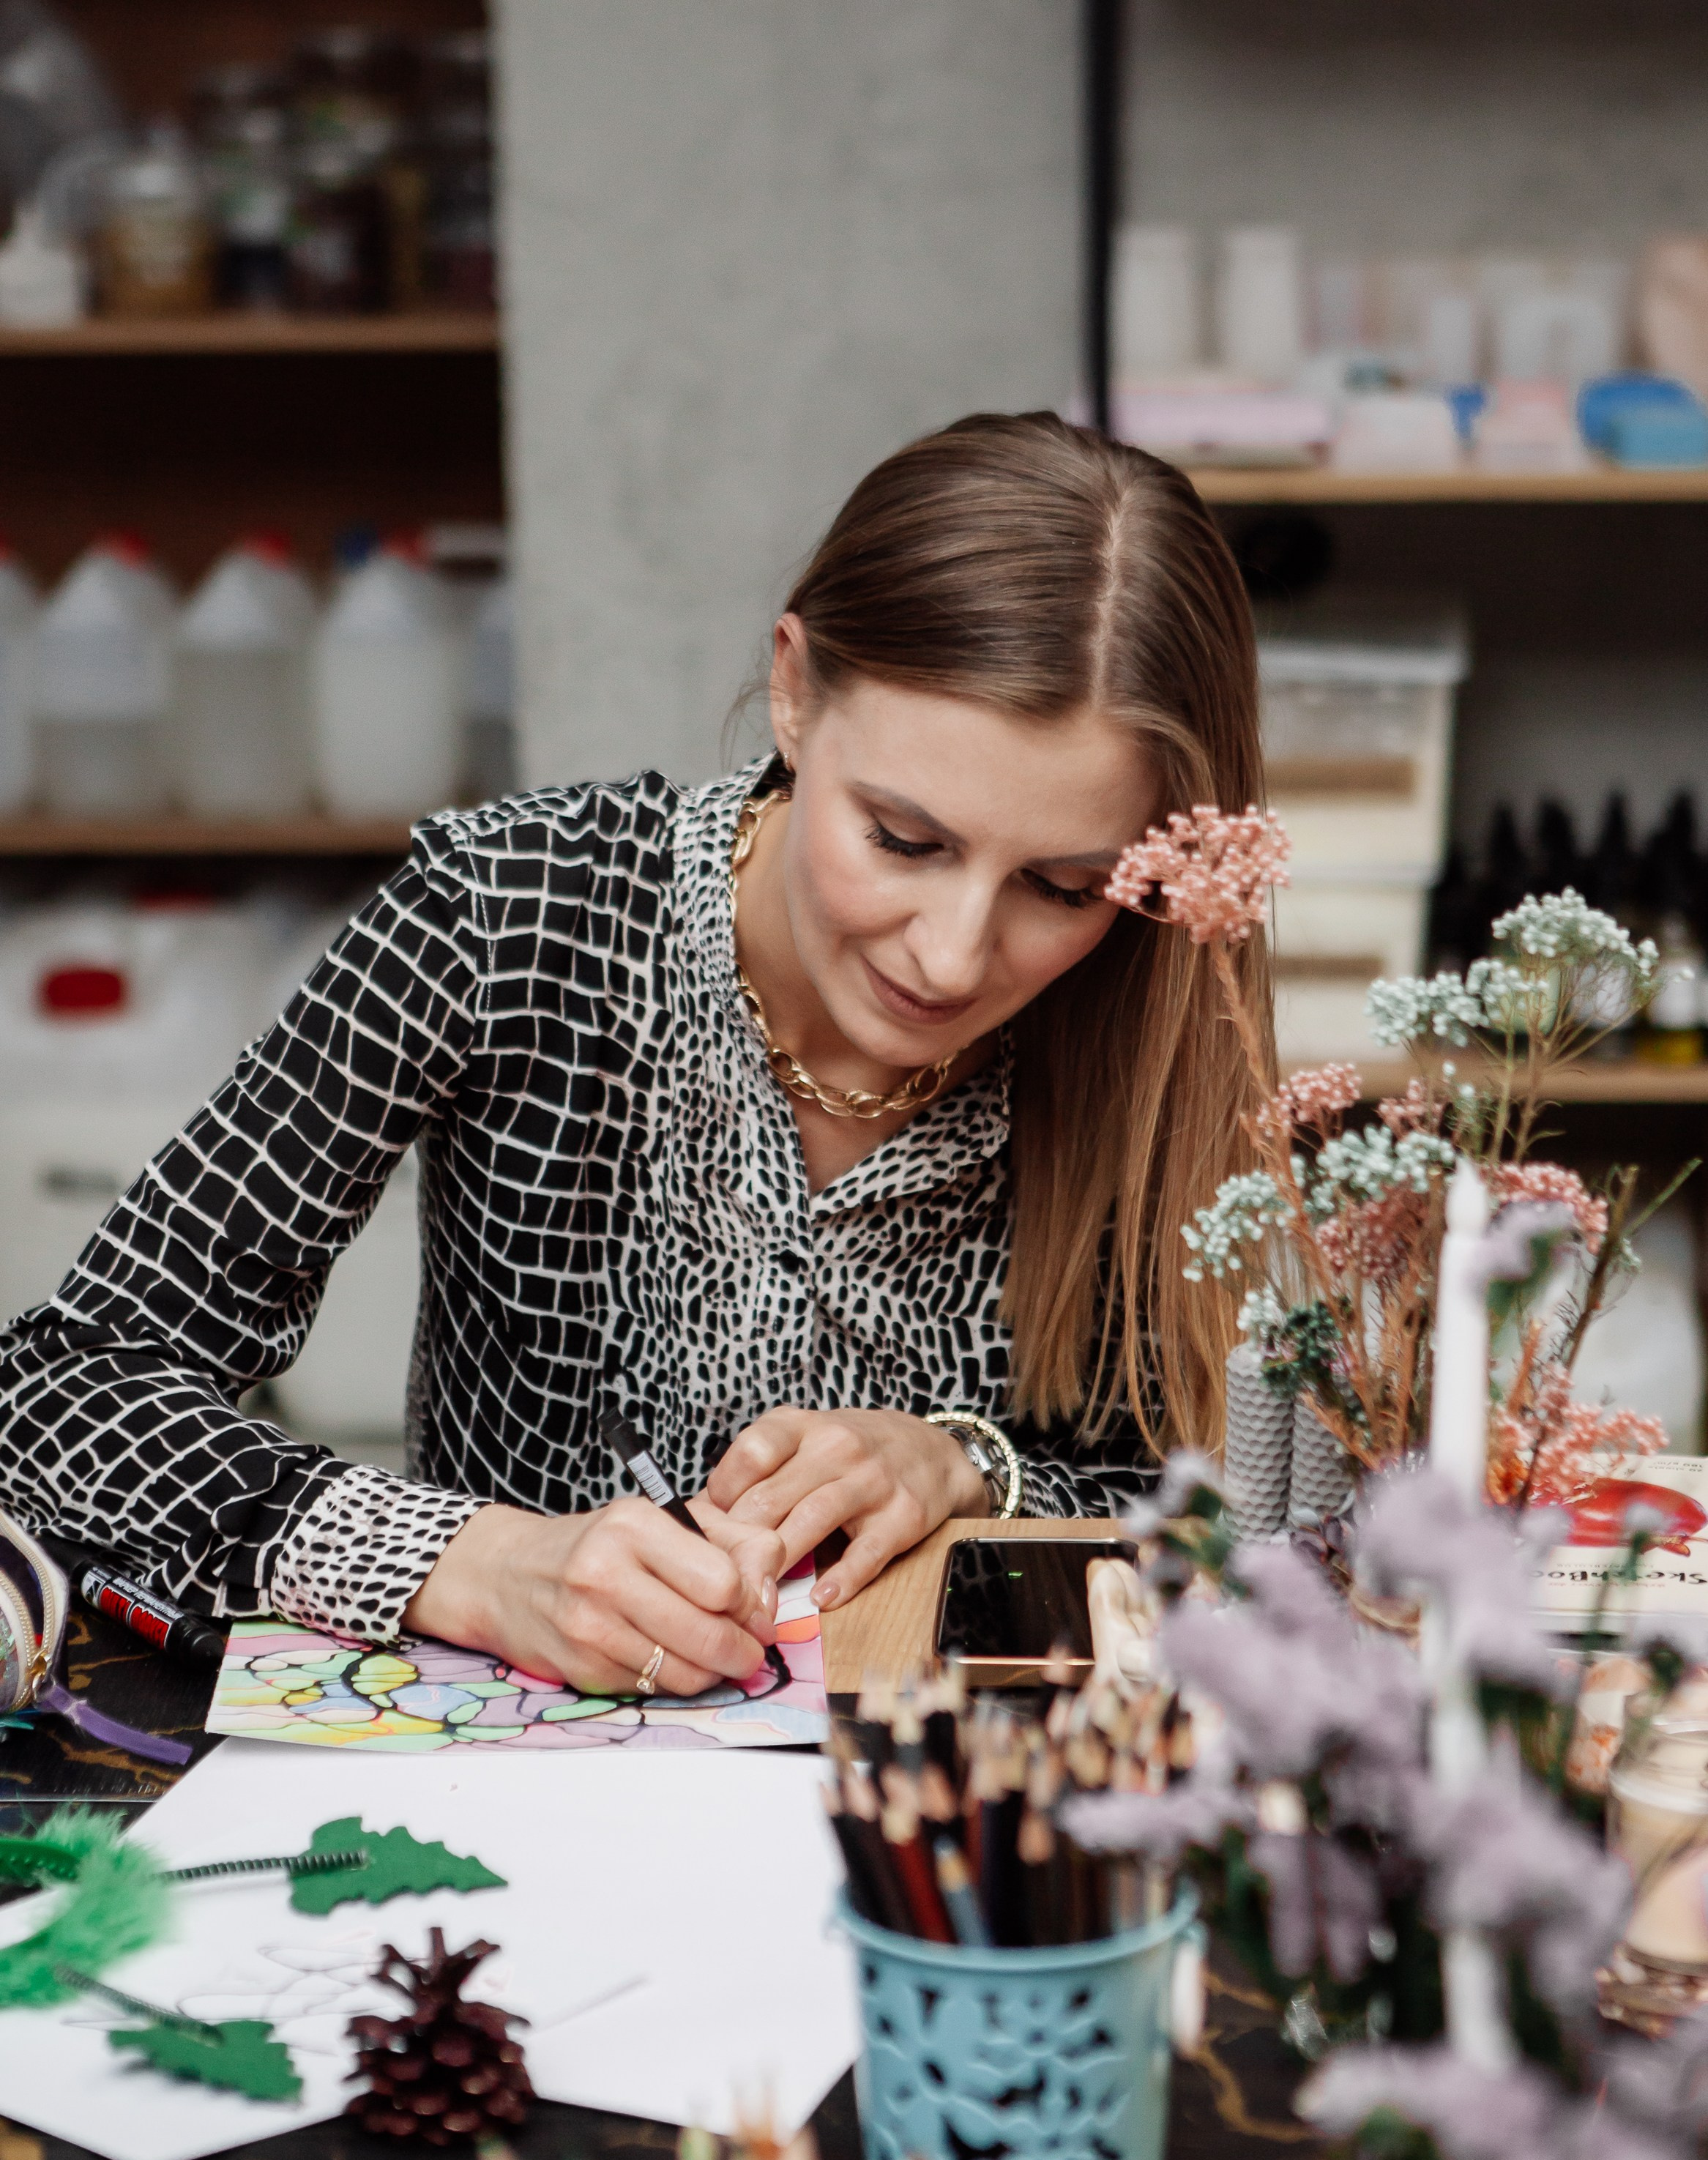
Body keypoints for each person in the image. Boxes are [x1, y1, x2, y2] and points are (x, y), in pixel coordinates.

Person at [0, 412, 1269, 1702]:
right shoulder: (508, 912)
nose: (949, 959)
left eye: (1059, 887)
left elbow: (1236, 1512)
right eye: (900, 838)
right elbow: (59, 1393)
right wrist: (470, 1560)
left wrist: (972, 1472)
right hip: (518, 1816)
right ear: (793, 688)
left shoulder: (1147, 1008)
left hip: (938, 1828)